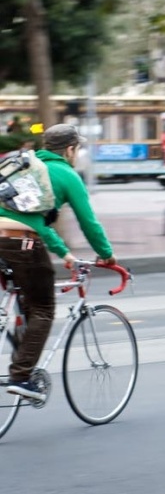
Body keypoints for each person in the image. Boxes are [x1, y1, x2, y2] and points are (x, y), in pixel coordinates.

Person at [2, 124, 115, 400]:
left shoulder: (26, 166)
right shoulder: (66, 174)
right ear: (70, 149)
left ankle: (21, 342)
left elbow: (36, 223)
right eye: (77, 149)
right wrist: (106, 253)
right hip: (21, 242)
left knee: (25, 296)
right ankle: (21, 376)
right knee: (43, 308)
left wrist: (65, 254)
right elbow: (88, 222)